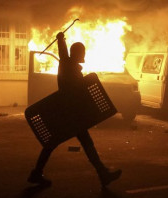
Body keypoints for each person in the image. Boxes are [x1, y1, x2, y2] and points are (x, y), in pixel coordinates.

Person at [27, 32, 122, 187]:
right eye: (82, 52)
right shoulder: (67, 64)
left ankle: (37, 173)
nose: (84, 55)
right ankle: (103, 174)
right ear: (78, 53)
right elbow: (64, 53)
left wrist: (61, 39)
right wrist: (60, 40)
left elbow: (64, 54)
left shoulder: (69, 65)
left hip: (70, 112)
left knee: (60, 143)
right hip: (69, 114)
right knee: (61, 143)